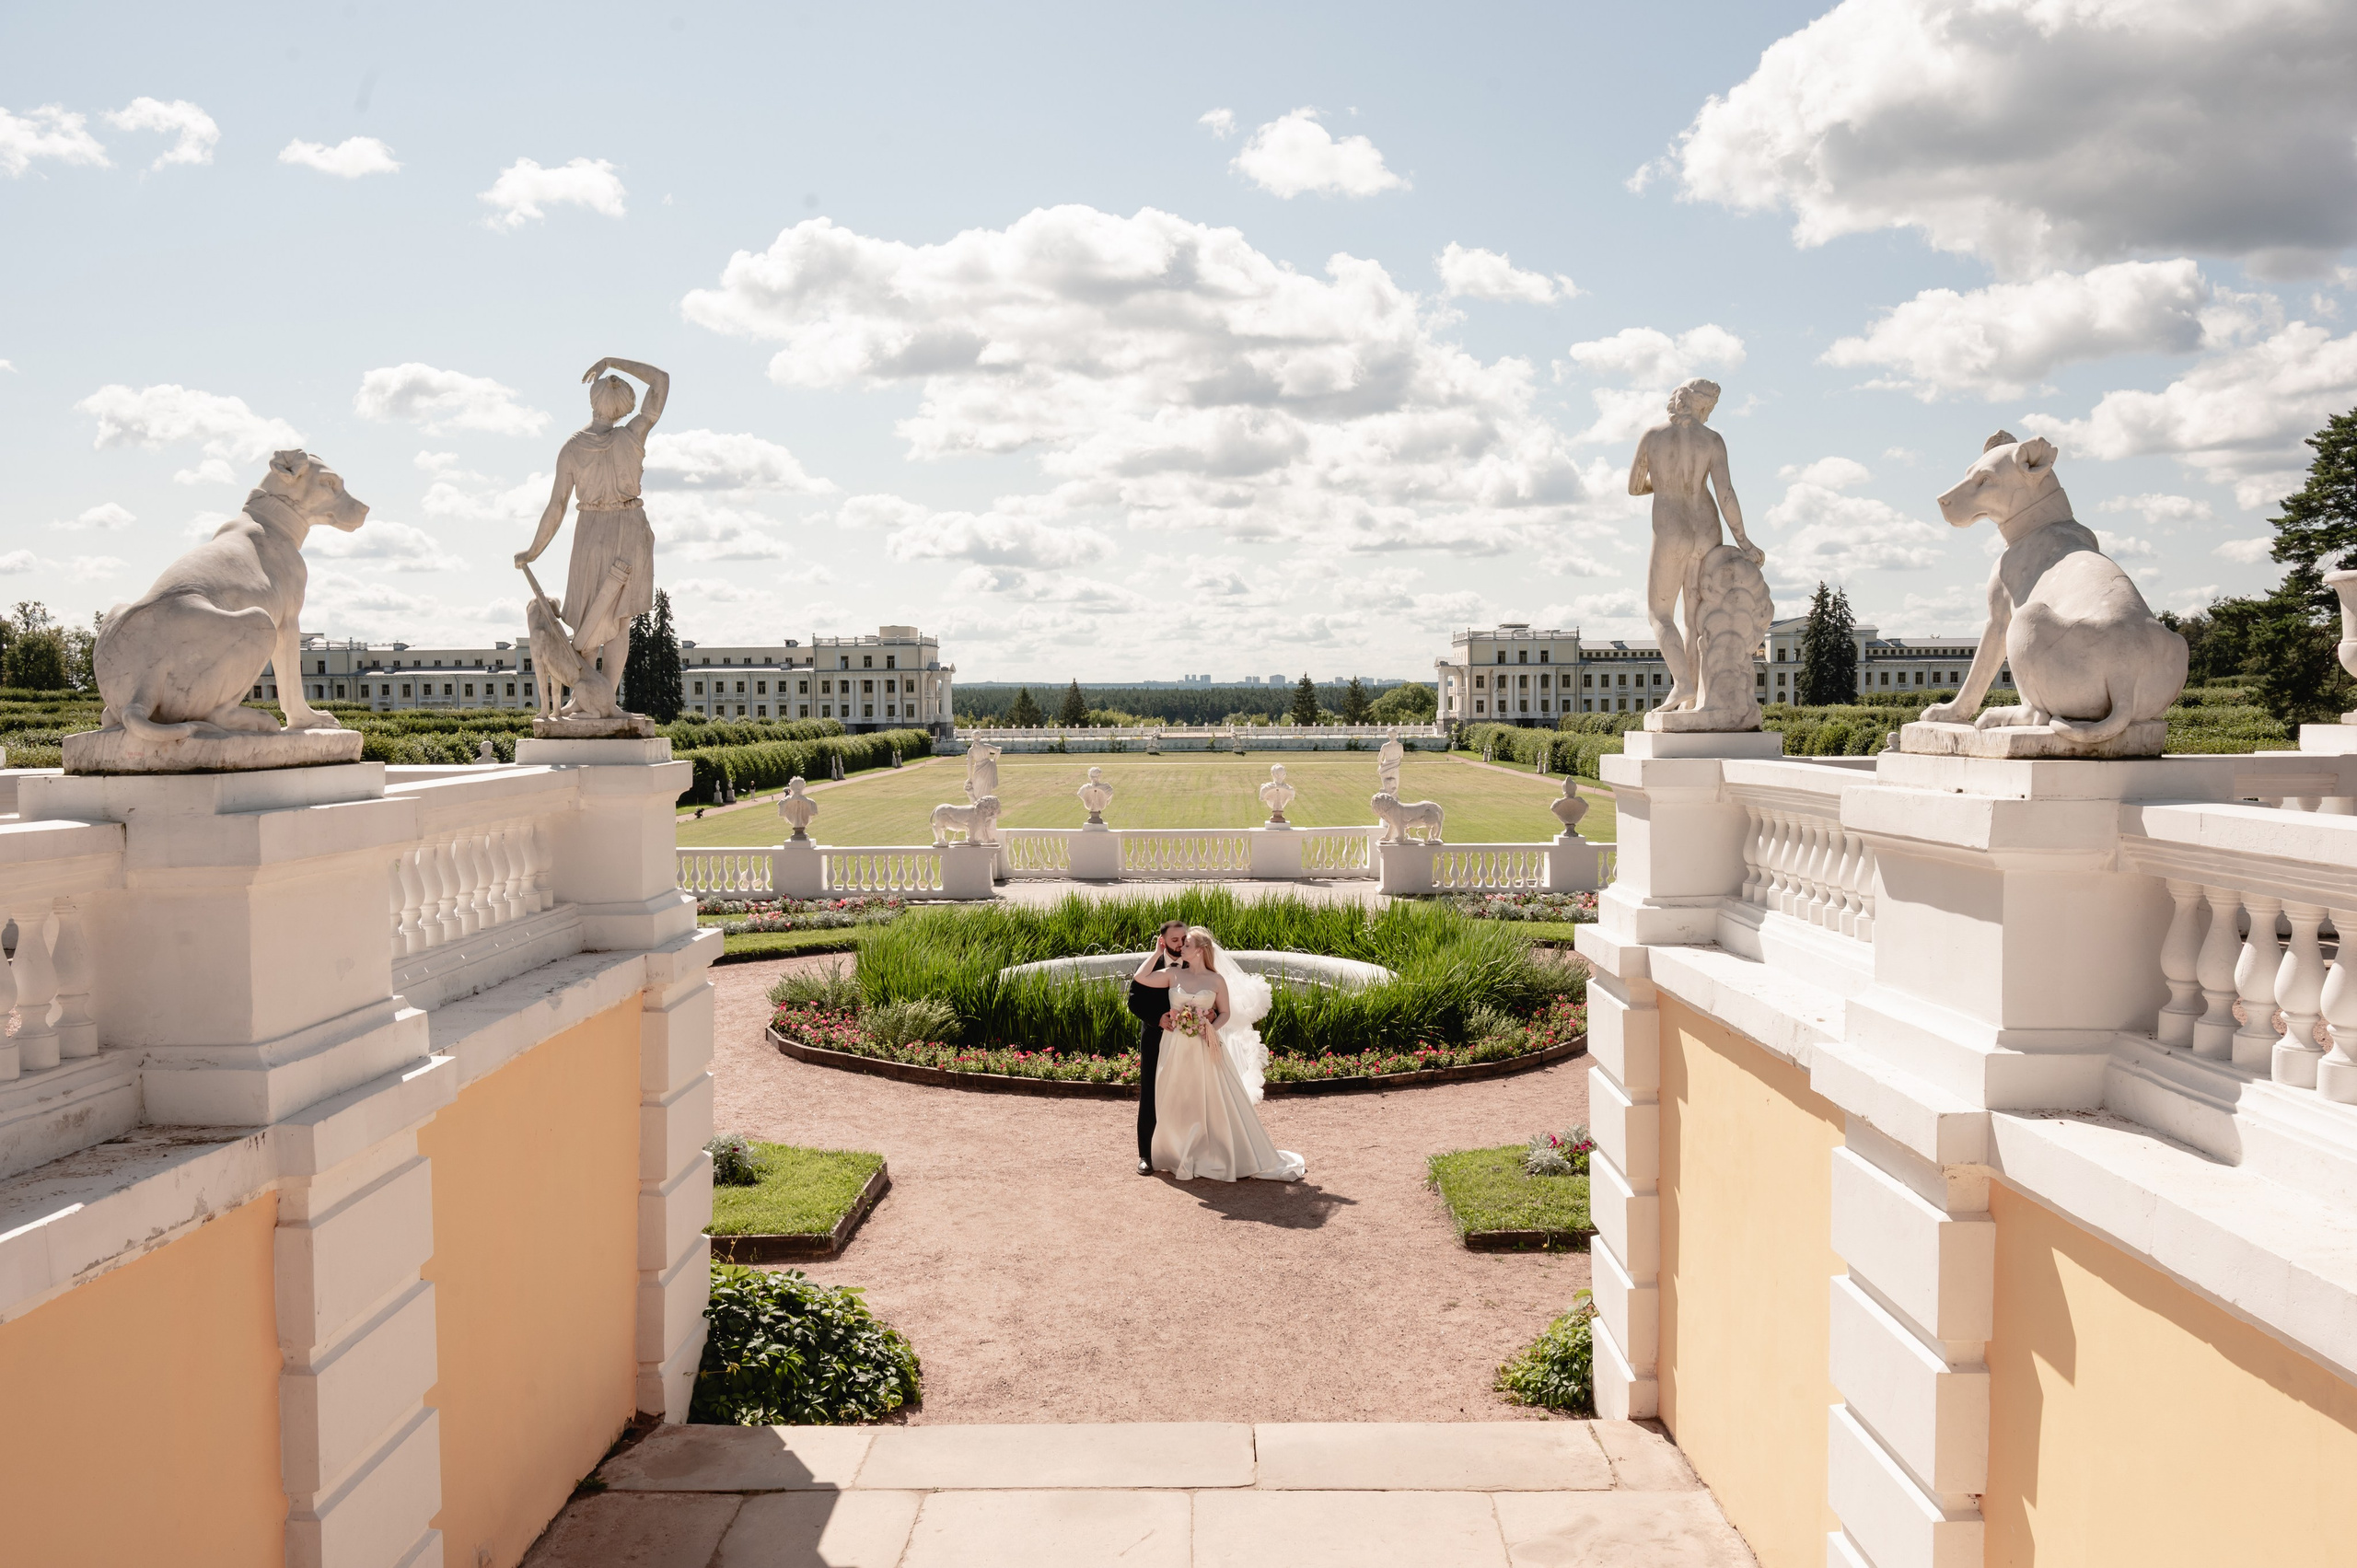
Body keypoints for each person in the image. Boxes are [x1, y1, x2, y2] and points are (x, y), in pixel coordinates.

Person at [514, 356, 670, 715]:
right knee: (618, 620)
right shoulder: (633, 434)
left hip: (590, 532)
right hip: (630, 528)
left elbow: (557, 506)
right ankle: (604, 699)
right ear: (624, 406)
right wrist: (614, 362)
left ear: (592, 401)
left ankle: (583, 700)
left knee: (588, 617)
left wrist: (533, 550)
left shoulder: (572, 447)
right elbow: (661, 381)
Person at [1131, 927, 1306, 1182]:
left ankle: (1211, 1152)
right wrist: (1158, 951)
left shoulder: (1216, 981)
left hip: (1204, 1045)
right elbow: (1140, 977)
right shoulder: (1172, 974)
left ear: (1201, 950)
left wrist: (1209, 1029)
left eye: (1187, 944)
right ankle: (1176, 1153)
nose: (1181, 948)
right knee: (1175, 1095)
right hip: (1175, 1046)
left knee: (1210, 1096)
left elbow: (1225, 1012)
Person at [1628, 377, 1760, 713]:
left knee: (1659, 614)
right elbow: (1725, 494)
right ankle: (1693, 702)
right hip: (1706, 524)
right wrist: (1744, 542)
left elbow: (1633, 486)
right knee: (1695, 618)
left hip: (1671, 526)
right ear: (1703, 405)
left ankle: (1683, 684)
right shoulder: (1712, 440)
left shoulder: (1653, 436)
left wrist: (1662, 484)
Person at [1124, 920, 1188, 1175]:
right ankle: (1145, 1156)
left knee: (1186, 1094)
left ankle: (1184, 1152)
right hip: (1154, 1039)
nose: (1181, 944)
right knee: (1150, 1094)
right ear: (1163, 941)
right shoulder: (1151, 967)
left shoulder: (1195, 962)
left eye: (1183, 939)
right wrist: (1157, 1018)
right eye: (1174, 940)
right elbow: (1133, 1001)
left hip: (1187, 1043)